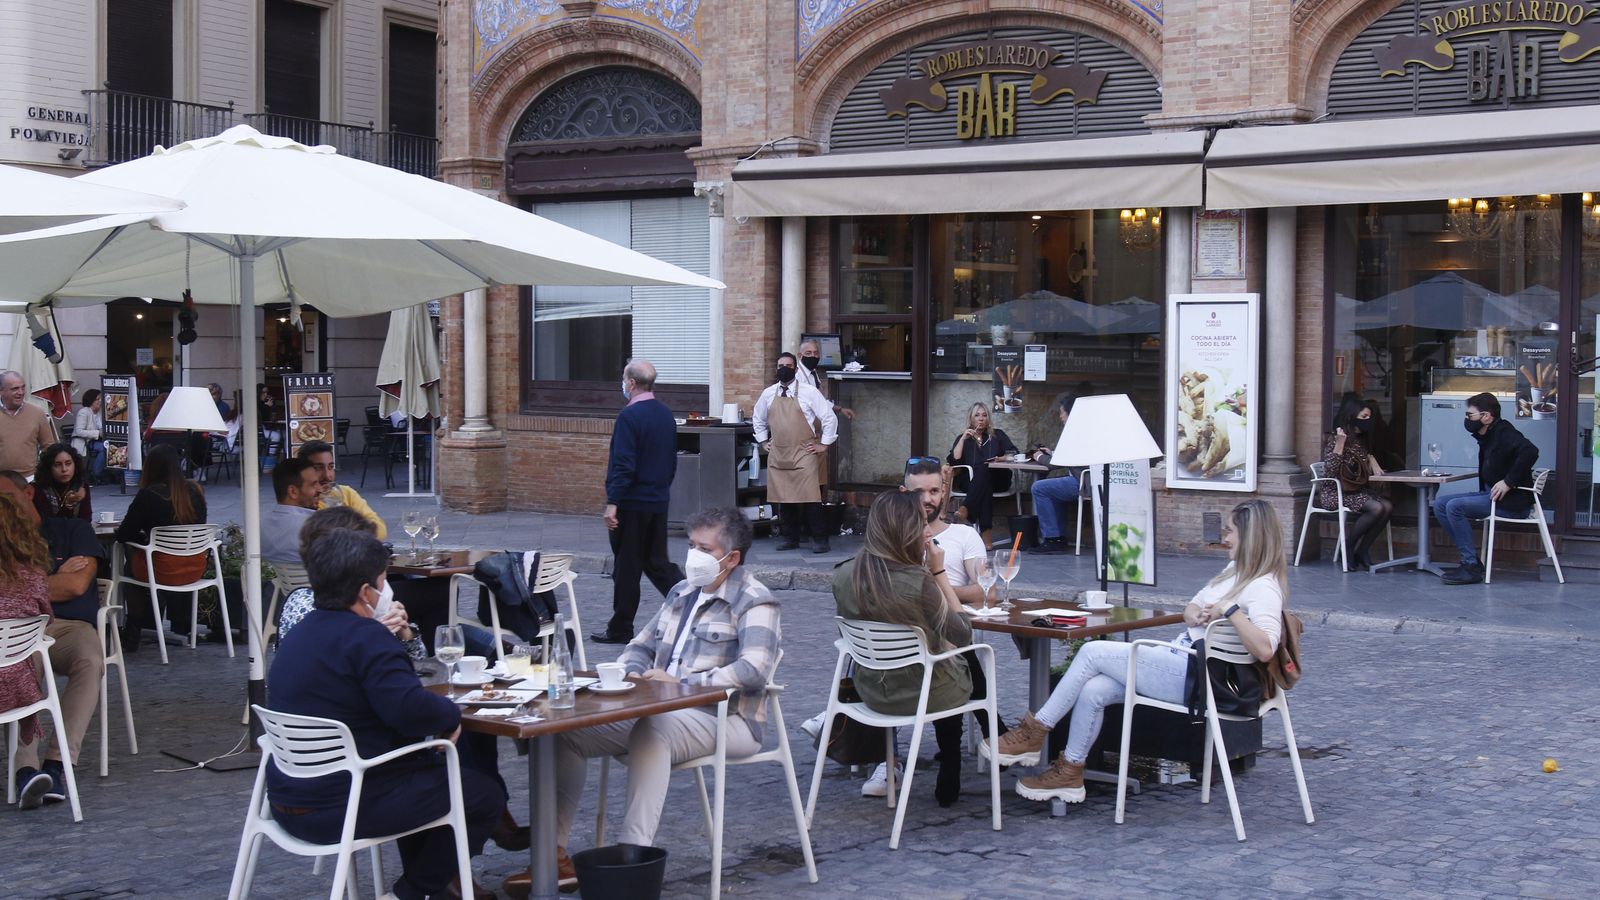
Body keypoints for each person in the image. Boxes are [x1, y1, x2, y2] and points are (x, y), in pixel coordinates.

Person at [527, 507, 779, 895]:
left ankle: (632, 858)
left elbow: (754, 670)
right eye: (691, 545)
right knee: (563, 731)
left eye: (704, 548)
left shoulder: (755, 600)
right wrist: (626, 672)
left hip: (727, 717)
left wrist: (681, 682)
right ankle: (550, 856)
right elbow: (640, 645)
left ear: (732, 558)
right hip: (659, 706)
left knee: (654, 728)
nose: (693, 555)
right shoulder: (681, 592)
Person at [982, 499, 1286, 805]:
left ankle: (1036, 731)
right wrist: (1194, 614)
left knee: (1092, 652)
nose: (1225, 536)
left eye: (1231, 530)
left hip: (1198, 678)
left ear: (1251, 536)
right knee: (1094, 689)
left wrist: (1230, 610)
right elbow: (1193, 604)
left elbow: (1264, 649)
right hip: (1183, 662)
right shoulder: (1234, 570)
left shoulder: (1263, 587)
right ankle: (1070, 773)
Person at [274, 507, 531, 857]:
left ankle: (437, 887)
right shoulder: (365, 637)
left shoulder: (303, 631)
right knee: (483, 796)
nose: (389, 591)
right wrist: (451, 715)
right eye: (384, 583)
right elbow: (411, 711)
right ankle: (414, 891)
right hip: (343, 802)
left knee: (423, 777)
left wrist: (406, 633)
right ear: (367, 592)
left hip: (287, 797)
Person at [832, 490, 972, 808]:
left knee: (936, 656)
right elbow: (964, 634)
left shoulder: (842, 574)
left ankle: (891, 760)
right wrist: (939, 573)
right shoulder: (918, 581)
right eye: (922, 523)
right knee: (958, 660)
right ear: (904, 529)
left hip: (871, 692)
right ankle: (953, 760)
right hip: (922, 694)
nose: (928, 530)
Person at [0, 473, 105, 807]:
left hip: (69, 625)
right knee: (19, 661)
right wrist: (54, 578)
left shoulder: (72, 530)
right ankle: (26, 769)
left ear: (27, 492)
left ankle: (59, 763)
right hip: (17, 629)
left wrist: (35, 582)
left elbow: (76, 586)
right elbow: (47, 587)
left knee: (90, 659)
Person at [593, 359, 683, 645]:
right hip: (657, 500)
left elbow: (624, 464)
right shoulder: (665, 414)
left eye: (623, 378)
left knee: (627, 567)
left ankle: (621, 628)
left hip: (632, 503)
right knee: (657, 563)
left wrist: (613, 502)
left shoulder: (629, 417)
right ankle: (692, 604)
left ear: (631, 383)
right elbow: (670, 462)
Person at [0, 489, 72, 811]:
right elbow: (45, 622)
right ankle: (26, 771)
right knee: (22, 667)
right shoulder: (34, 578)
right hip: (19, 688)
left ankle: (25, 772)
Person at [1433, 392, 1538, 585]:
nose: (1467, 419)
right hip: (1490, 495)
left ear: (1486, 416)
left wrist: (1508, 482)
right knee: (1440, 504)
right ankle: (1472, 562)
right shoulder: (1488, 434)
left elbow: (1530, 451)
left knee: (1455, 507)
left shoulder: (1505, 432)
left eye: (1470, 415)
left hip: (1512, 503)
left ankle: (1469, 565)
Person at [114, 443, 208, 647]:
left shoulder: (149, 495)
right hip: (194, 569)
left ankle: (133, 629)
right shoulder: (195, 491)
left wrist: (144, 540)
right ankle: (182, 625)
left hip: (162, 571)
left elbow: (123, 534)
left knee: (131, 557)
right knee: (154, 555)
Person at [753, 351, 839, 554]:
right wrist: (763, 440)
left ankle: (819, 539)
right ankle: (790, 537)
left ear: (795, 368)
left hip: (804, 453)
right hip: (779, 453)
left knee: (811, 498)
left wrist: (824, 444)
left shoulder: (810, 392)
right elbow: (758, 419)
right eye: (780, 365)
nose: (784, 368)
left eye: (789, 365)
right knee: (784, 499)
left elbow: (829, 418)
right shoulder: (768, 393)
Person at [1320, 397, 1394, 571]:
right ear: (1351, 416)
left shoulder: (1360, 439)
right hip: (1335, 493)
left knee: (1388, 506)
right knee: (1376, 508)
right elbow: (1330, 470)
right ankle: (1348, 549)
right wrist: (1340, 443)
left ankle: (1362, 550)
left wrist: (1371, 458)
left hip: (1355, 491)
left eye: (1369, 417)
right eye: (1364, 417)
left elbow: (1361, 462)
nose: (1367, 421)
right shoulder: (1337, 438)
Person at [947, 401, 1019, 545]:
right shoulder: (964, 438)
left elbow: (1014, 453)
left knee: (984, 469)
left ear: (988, 419)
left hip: (998, 478)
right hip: (972, 482)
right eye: (977, 415)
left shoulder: (997, 435)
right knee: (984, 484)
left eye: (984, 415)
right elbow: (954, 461)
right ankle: (986, 535)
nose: (981, 418)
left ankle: (966, 508)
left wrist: (1000, 459)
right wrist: (962, 439)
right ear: (971, 419)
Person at [297, 439, 388, 538]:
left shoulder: (345, 493)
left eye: (331, 467)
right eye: (318, 468)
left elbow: (379, 529)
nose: (327, 476)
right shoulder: (299, 500)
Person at [1027, 394, 1081, 554]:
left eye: (1062, 412)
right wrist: (1051, 452)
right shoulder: (1084, 430)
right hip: (1087, 481)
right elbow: (1068, 456)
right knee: (1051, 490)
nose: (1060, 416)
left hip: (1082, 484)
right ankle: (1058, 537)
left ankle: (1051, 539)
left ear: (1070, 413)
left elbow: (1054, 464)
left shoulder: (1074, 432)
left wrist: (1039, 456)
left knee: (1039, 488)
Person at [261, 457, 323, 566]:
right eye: (313, 484)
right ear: (293, 491)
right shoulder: (318, 526)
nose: (320, 489)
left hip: (276, 582)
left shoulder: (260, 527)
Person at [0, 369, 55, 481]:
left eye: (23, 387)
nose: (21, 392)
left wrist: (43, 474)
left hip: (29, 480)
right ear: (1, 391)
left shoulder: (37, 413)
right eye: (15, 388)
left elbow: (49, 447)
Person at [32, 443, 93, 523]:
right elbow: (47, 526)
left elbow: (86, 521)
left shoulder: (81, 486)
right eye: (57, 465)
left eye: (68, 464)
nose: (64, 469)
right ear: (49, 467)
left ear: (75, 464)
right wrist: (68, 505)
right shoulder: (37, 489)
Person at [797, 338, 855, 420]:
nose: (813, 356)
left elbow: (820, 400)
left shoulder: (812, 372)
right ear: (800, 355)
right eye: (808, 353)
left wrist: (840, 409)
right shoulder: (797, 375)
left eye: (816, 353)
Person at [71, 389, 105, 485]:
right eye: (97, 399)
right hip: (83, 442)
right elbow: (79, 431)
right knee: (104, 448)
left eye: (100, 399)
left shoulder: (99, 413)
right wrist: (97, 433)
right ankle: (95, 474)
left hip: (92, 441)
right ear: (91, 400)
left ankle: (108, 474)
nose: (100, 401)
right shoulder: (84, 412)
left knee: (109, 446)